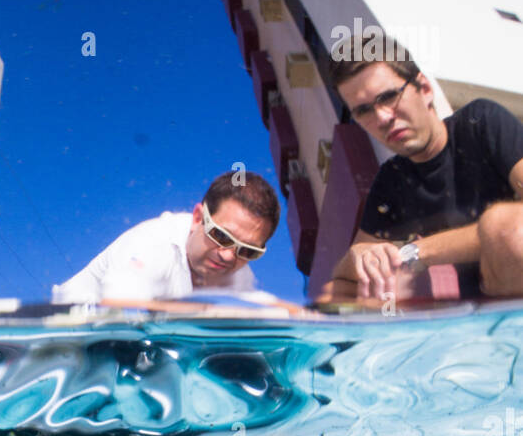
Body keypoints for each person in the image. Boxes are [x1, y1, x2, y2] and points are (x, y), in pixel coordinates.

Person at [322, 41, 523, 303]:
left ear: (425, 89)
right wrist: (357, 256)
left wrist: (416, 252)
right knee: (340, 295)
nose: (382, 118)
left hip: (508, 298)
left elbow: (511, 231)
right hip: (481, 316)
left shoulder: (481, 122)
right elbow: (345, 280)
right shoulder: (391, 181)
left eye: (388, 97)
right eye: (363, 110)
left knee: (505, 227)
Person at [52, 172, 281, 305]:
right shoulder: (152, 244)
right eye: (221, 235)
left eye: (248, 251)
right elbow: (121, 307)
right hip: (59, 341)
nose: (228, 255)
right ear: (197, 218)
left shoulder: (239, 272)